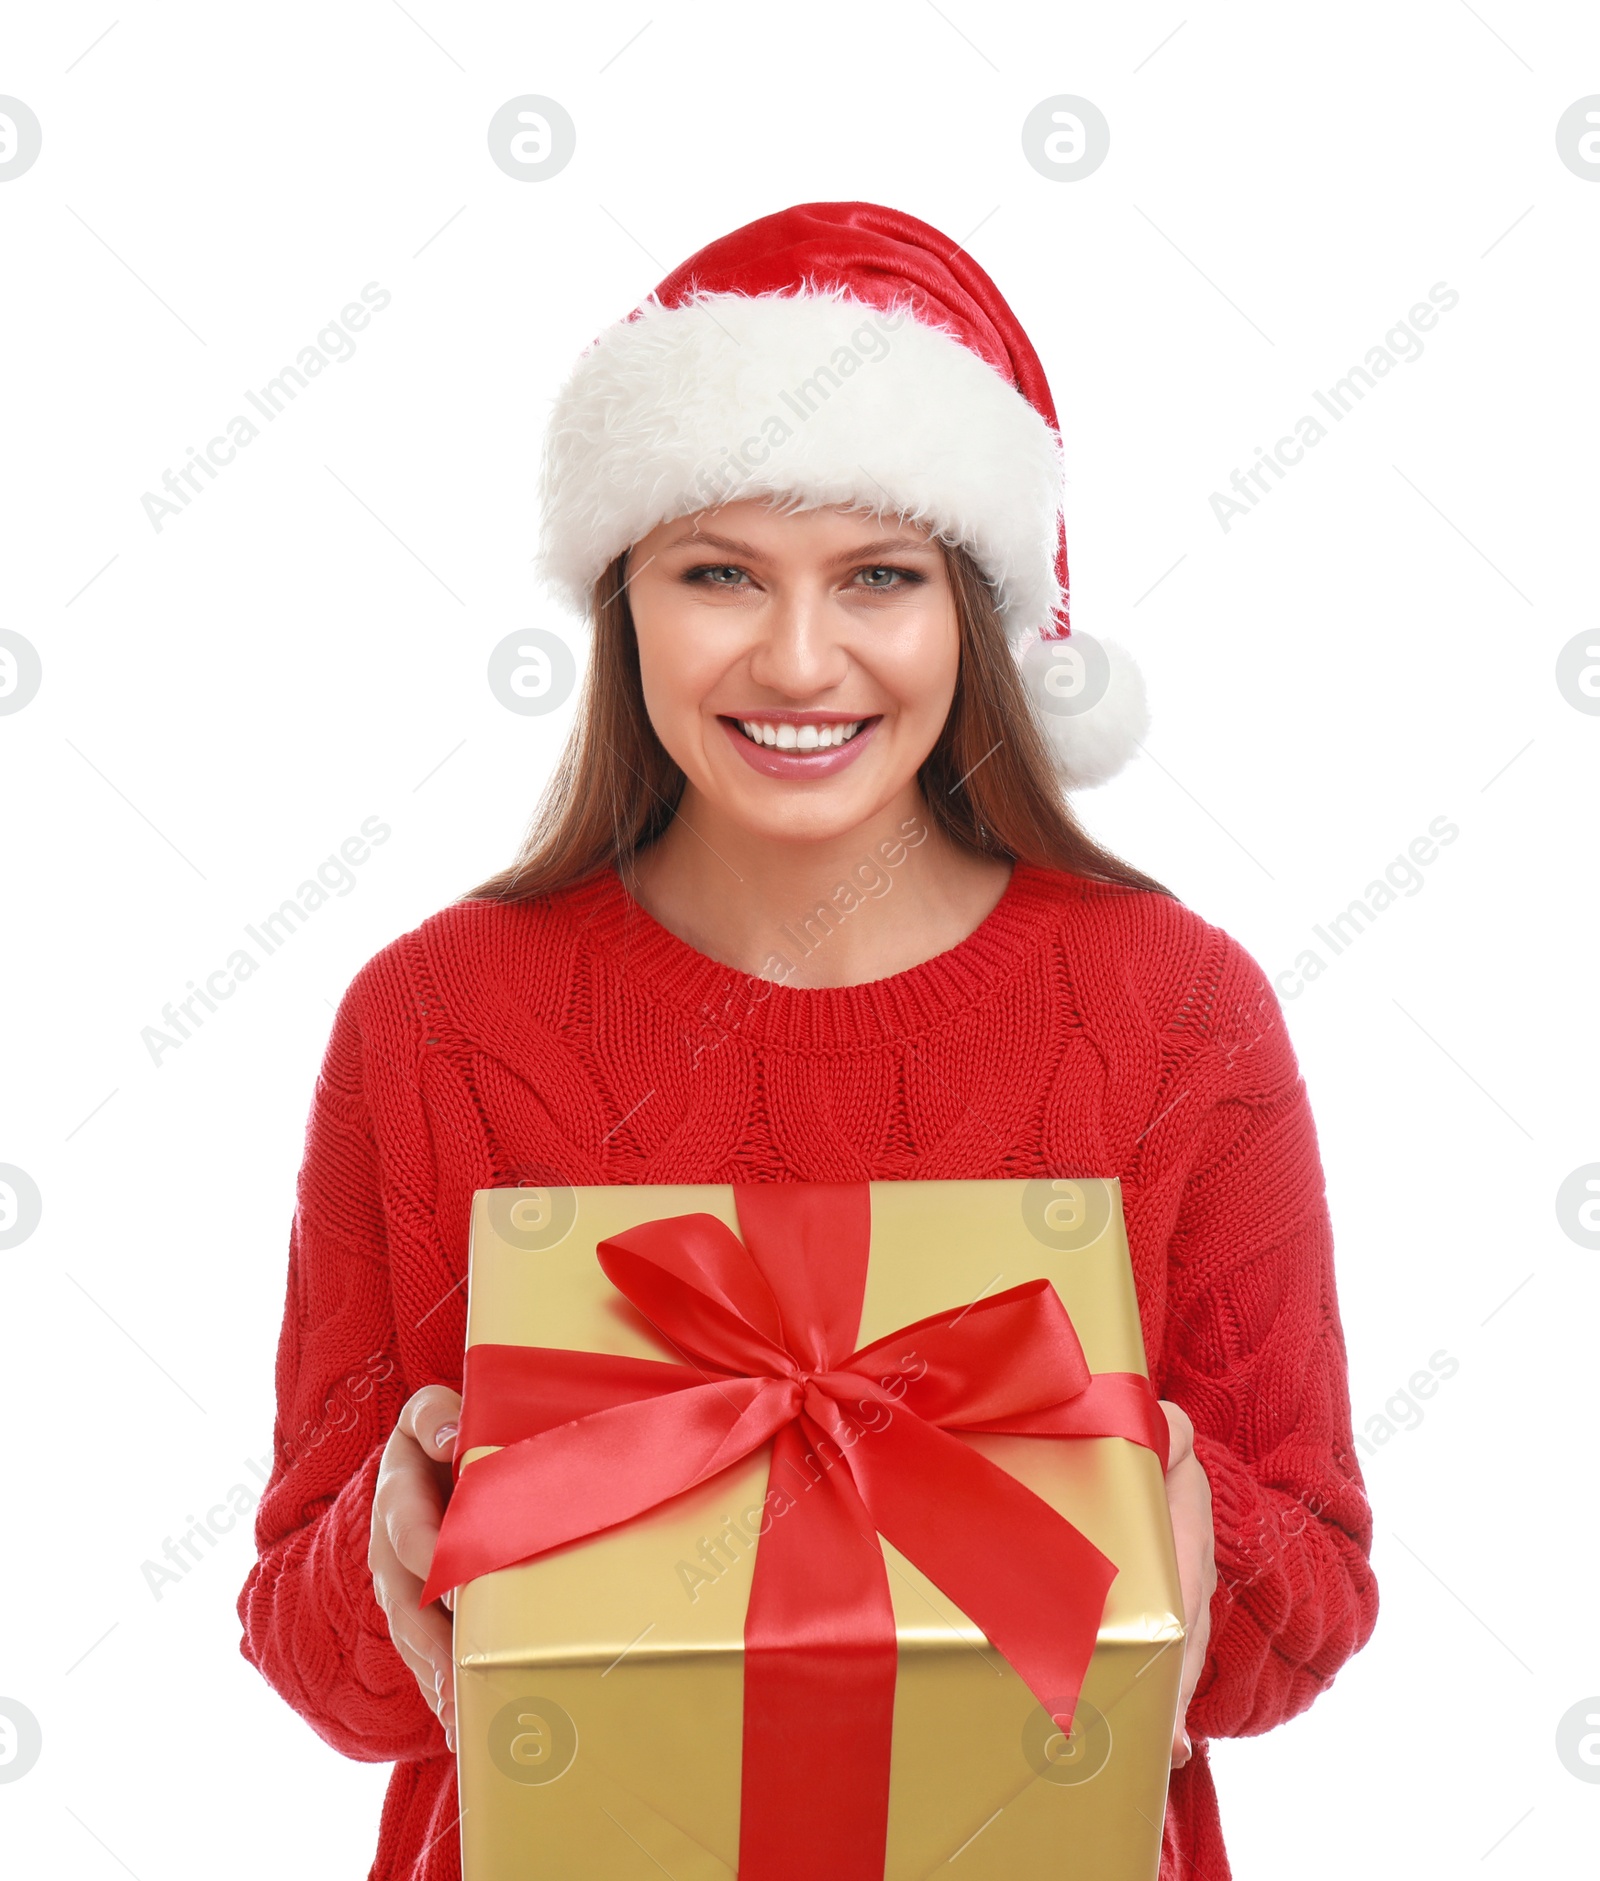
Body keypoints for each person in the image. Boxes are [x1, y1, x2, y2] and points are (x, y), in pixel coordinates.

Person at [237, 202, 1378, 1880]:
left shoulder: (1175, 1012)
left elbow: (1323, 1587)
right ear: (626, 597)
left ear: (977, 611)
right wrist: (389, 1560)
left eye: (880, 578)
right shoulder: (435, 1025)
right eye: (719, 573)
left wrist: (1196, 1555)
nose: (797, 658)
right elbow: (302, 1631)